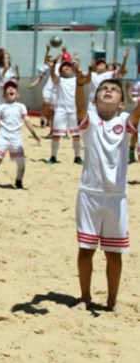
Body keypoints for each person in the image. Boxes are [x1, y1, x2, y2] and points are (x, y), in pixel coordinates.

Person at [72, 72, 140, 312]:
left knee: (114, 253)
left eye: (113, 89)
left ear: (122, 102)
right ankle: (84, 297)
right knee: (86, 249)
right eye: (103, 89)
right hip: (90, 193)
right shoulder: (89, 119)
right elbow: (79, 109)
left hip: (116, 197)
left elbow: (136, 115)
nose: (108, 91)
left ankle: (112, 301)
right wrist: (80, 86)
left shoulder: (124, 121)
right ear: (95, 99)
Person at [0, 81, 41, 189]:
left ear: (18, 94)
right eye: (8, 88)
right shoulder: (0, 107)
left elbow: (27, 121)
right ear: (3, 95)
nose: (10, 89)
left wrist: (34, 134)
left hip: (16, 139)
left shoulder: (21, 106)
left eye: (13, 88)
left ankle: (19, 181)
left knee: (21, 162)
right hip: (3, 137)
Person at [49, 55, 81, 164]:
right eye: (64, 66)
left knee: (76, 134)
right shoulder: (59, 80)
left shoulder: (75, 80)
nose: (66, 68)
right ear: (60, 70)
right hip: (60, 110)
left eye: (68, 66)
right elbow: (52, 74)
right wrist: (53, 64)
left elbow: (81, 76)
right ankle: (53, 156)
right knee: (56, 134)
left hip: (73, 110)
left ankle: (77, 157)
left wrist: (77, 64)